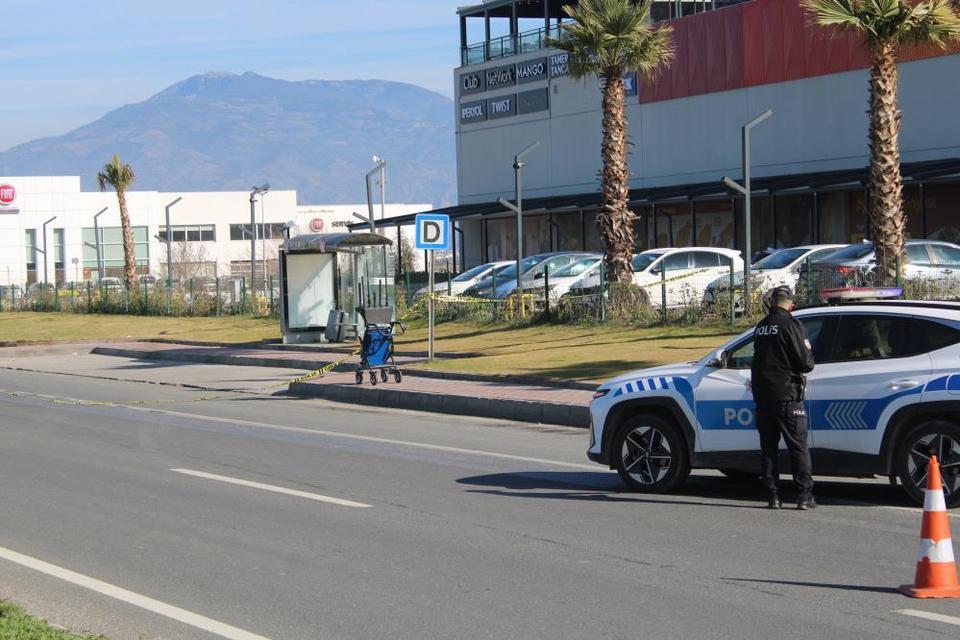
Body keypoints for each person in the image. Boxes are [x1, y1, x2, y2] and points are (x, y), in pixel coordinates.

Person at [750, 286, 816, 510]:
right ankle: (804, 497)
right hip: (787, 395)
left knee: (768, 448)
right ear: (790, 304)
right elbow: (806, 363)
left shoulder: (761, 327)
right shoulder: (792, 325)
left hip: (763, 397)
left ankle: (773, 496)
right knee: (798, 446)